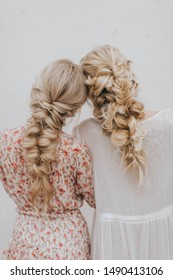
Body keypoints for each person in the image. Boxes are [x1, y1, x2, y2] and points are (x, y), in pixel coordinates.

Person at [72, 45, 173, 259]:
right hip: (162, 243)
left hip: (112, 246)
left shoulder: (84, 133)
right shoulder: (168, 123)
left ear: (91, 94)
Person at [0, 59, 95, 260]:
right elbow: (94, 199)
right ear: (73, 109)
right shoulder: (76, 151)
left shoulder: (5, 142)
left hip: (25, 244)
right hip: (69, 248)